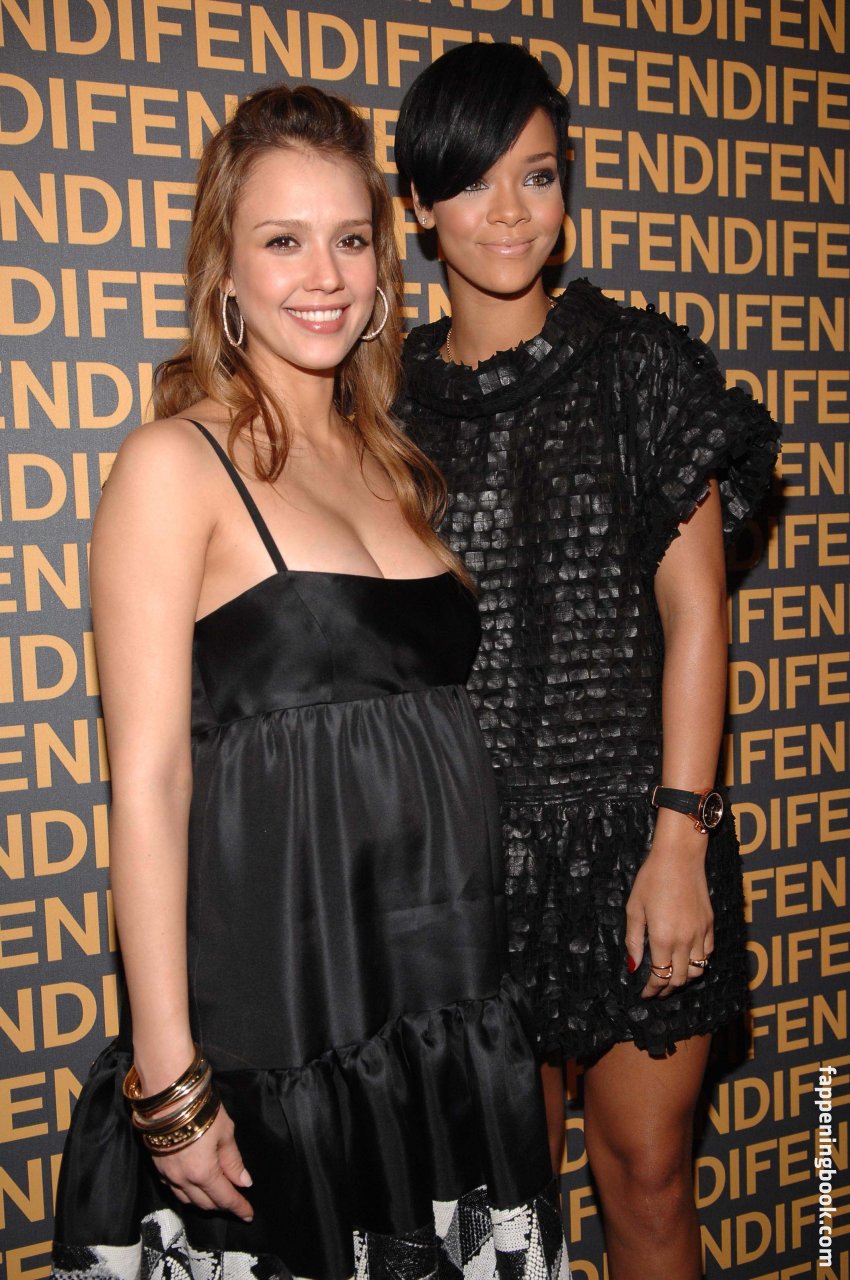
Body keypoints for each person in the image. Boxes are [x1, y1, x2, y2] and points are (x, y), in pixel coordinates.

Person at [51, 84, 568, 1280]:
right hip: (284, 1002)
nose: (323, 276)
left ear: (384, 263)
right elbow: (149, 780)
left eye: (348, 239)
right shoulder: (174, 465)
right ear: (225, 270)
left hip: (439, 989)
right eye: (282, 240)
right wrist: (170, 1078)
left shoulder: (396, 464)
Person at [395, 42, 779, 1280]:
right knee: (500, 1217)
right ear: (417, 205)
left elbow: (697, 612)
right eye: (473, 180)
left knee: (648, 1181)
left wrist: (678, 840)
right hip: (460, 859)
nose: (510, 210)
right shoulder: (380, 402)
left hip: (630, 839)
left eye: (538, 174)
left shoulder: (641, 367)